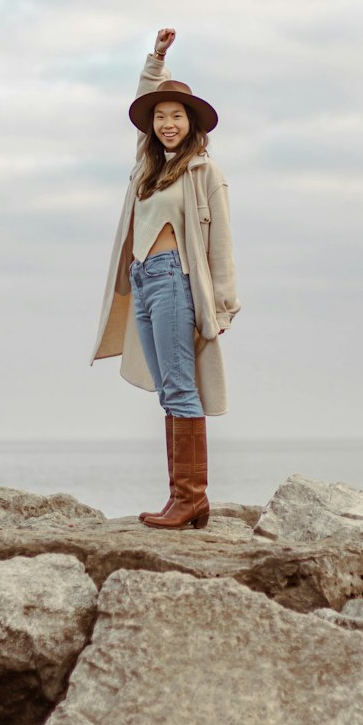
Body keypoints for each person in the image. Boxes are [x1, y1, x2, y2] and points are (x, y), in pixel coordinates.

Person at [90, 27, 241, 529]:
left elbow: (221, 242)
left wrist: (222, 305)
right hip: (143, 282)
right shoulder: (147, 167)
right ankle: (185, 499)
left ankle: (190, 498)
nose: (167, 124)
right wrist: (156, 59)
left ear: (192, 124)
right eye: (160, 117)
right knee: (168, 390)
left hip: (176, 280)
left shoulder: (203, 172)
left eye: (176, 116)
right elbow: (144, 95)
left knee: (180, 388)